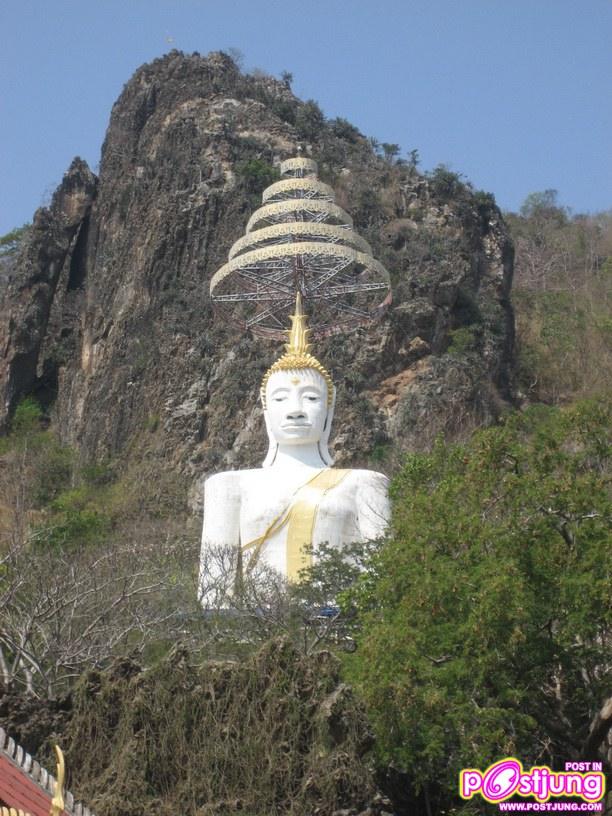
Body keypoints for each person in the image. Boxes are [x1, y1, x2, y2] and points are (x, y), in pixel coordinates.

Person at [199, 294, 390, 608]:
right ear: (264, 409)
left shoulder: (363, 483)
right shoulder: (229, 486)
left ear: (330, 409)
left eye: (311, 398)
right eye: (281, 398)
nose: (296, 410)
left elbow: (383, 579)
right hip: (252, 635)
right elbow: (213, 593)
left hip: (345, 631)